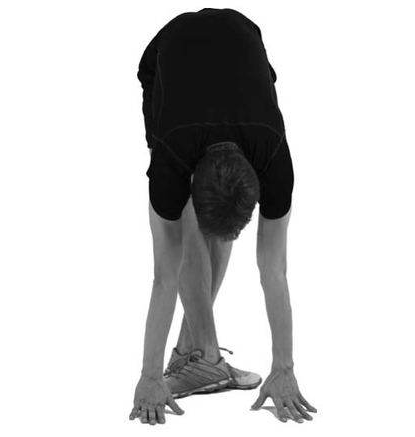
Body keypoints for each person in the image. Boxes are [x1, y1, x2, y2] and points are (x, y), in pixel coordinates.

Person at [129, 8, 316, 425]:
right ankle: (205, 357)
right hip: (166, 54)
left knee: (216, 229)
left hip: (244, 37)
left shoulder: (273, 156)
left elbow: (274, 272)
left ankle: (197, 356)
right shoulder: (172, 157)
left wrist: (284, 368)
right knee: (182, 225)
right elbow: (163, 276)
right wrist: (148, 376)